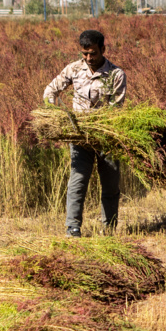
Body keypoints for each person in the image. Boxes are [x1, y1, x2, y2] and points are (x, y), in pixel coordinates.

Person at [44, 29, 127, 237]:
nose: (89, 58)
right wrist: (57, 115)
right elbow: (51, 90)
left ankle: (109, 229)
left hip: (107, 138)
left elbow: (115, 110)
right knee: (77, 182)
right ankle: (73, 228)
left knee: (110, 185)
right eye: (84, 53)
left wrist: (100, 128)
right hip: (79, 138)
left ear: (103, 49)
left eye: (93, 54)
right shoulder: (74, 69)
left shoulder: (116, 75)